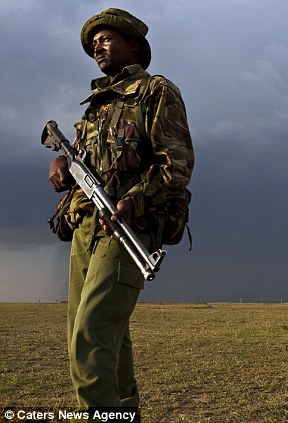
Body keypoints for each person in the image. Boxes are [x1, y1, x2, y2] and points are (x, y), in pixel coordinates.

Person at [47, 8, 195, 415]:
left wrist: (135, 199)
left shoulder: (155, 91)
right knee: (100, 331)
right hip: (84, 227)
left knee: (92, 332)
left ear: (134, 45)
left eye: (107, 38)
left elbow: (177, 164)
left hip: (129, 225)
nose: (97, 45)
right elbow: (81, 161)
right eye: (94, 42)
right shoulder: (94, 107)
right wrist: (61, 165)